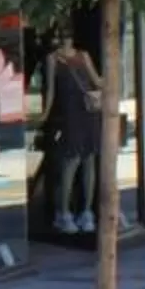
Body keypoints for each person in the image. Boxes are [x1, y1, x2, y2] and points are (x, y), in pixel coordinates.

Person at [43, 43, 103, 235]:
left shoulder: (80, 56)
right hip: (73, 114)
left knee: (86, 160)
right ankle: (68, 212)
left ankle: (81, 212)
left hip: (85, 112)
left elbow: (96, 81)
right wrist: (44, 114)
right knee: (75, 160)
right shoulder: (54, 58)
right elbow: (52, 91)